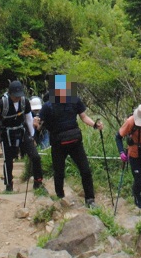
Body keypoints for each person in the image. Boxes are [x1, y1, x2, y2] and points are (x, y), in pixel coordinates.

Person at [38, 74, 102, 207]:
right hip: (60, 142)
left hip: (72, 141)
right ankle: (62, 197)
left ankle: (89, 199)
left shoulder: (73, 101)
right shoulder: (48, 106)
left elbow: (84, 117)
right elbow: (40, 125)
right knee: (61, 171)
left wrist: (95, 125)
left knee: (83, 170)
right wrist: (35, 123)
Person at [0, 80, 45, 193]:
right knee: (8, 160)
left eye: (19, 96)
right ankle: (9, 185)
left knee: (35, 157)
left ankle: (38, 182)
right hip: (7, 134)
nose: (17, 98)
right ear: (10, 94)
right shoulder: (2, 103)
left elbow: (29, 119)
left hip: (22, 132)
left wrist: (32, 136)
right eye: (15, 96)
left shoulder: (25, 102)